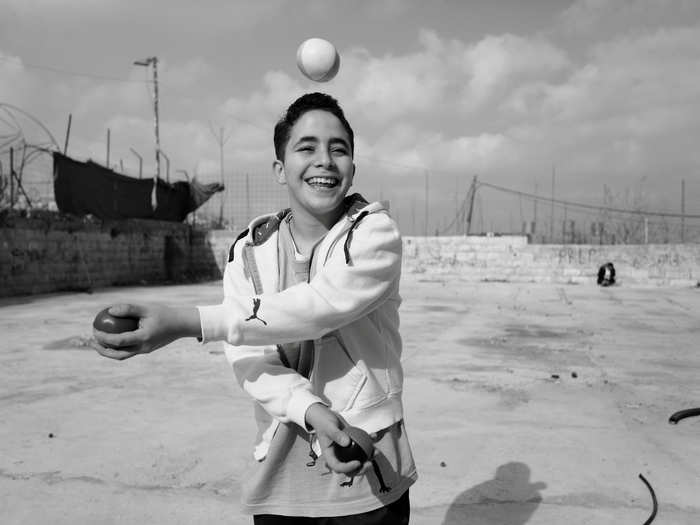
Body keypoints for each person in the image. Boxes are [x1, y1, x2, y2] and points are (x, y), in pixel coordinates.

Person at [93, 92, 417, 523]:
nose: (324, 159)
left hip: (367, 470)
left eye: (338, 149)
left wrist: (187, 321)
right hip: (281, 473)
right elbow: (247, 357)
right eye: (307, 147)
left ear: (352, 169)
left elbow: (319, 307)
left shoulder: (374, 234)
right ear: (280, 170)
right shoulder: (249, 249)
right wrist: (310, 409)